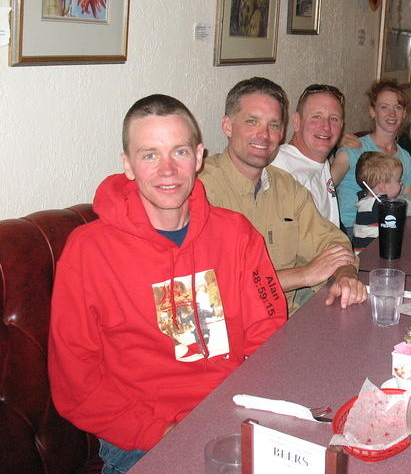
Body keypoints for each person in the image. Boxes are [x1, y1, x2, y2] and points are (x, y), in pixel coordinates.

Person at [48, 95, 288, 473]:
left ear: (199, 155)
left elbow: (269, 334)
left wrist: (247, 411)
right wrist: (161, 431)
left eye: (179, 152)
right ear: (127, 165)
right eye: (149, 155)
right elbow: (76, 382)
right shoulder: (88, 252)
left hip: (235, 415)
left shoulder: (236, 233)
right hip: (143, 439)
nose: (168, 170)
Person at [200, 78, 365, 316]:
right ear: (227, 126)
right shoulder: (201, 189)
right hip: (231, 329)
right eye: (252, 121)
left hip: (287, 321)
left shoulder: (286, 186)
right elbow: (212, 288)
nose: (263, 134)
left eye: (274, 125)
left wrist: (346, 275)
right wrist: (304, 275)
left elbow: (332, 243)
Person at [331, 80, 411, 237]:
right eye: (384, 107)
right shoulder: (353, 148)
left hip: (387, 231)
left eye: (398, 107)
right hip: (351, 231)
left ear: (404, 113)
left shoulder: (406, 159)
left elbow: (405, 204)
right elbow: (325, 184)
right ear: (372, 111)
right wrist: (333, 141)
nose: (392, 114)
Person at [271, 84, 345, 226]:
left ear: (341, 125)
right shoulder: (281, 171)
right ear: (296, 122)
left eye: (334, 119)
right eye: (316, 117)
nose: (326, 127)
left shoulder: (319, 160)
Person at [351, 152, 404, 252]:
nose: (401, 183)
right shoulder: (378, 205)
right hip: (369, 255)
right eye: (398, 180)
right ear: (383, 187)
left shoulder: (366, 200)